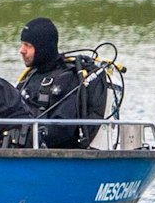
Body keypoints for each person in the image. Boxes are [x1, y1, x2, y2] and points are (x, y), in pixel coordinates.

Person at [16, 16, 98, 149]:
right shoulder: (30, 77)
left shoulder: (70, 80)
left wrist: (27, 136)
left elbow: (63, 129)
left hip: (56, 157)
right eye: (22, 44)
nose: (22, 50)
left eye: (28, 45)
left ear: (43, 48)